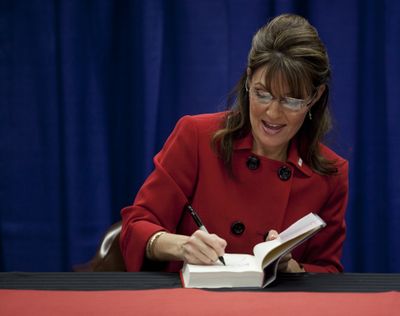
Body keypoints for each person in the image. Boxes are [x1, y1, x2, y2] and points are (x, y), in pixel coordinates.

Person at [120, 13, 349, 273]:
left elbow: (328, 272)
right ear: (249, 79)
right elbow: (136, 226)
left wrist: (294, 269)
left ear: (315, 96)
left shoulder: (331, 172)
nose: (272, 114)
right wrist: (181, 246)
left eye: (291, 101)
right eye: (263, 93)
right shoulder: (196, 136)